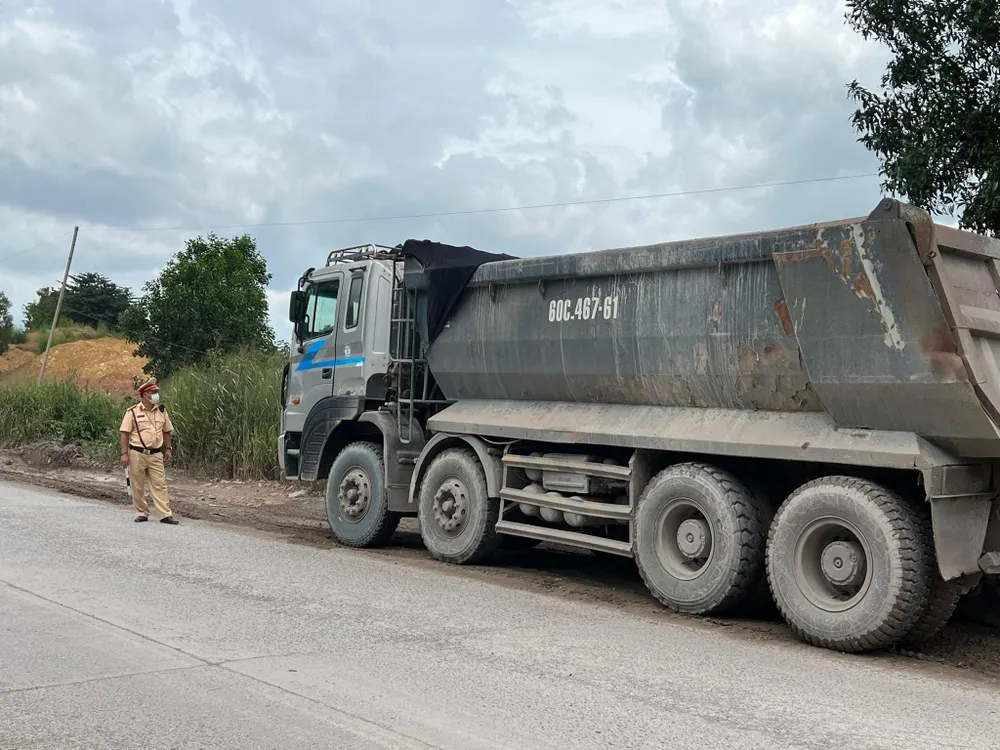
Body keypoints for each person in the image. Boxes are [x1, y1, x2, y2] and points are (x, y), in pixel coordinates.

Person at [119, 377, 177, 524]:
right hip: (137, 453)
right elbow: (124, 433)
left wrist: (168, 448)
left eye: (156, 391)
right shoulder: (132, 412)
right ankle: (142, 512)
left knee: (159, 484)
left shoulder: (162, 411)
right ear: (145, 394)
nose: (156, 394)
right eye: (153, 392)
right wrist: (124, 454)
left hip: (156, 453)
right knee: (137, 485)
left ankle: (165, 514)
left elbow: (167, 431)